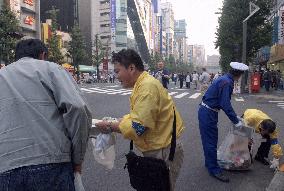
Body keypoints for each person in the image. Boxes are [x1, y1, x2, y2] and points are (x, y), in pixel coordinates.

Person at [0, 39, 92, 190]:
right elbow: (78, 109)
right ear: (43, 55)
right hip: (51, 163)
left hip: (5, 169)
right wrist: (77, 159)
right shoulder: (51, 69)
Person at [95, 49, 185, 191]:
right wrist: (121, 120)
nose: (116, 76)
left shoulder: (146, 87)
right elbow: (141, 115)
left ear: (131, 68)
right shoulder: (143, 83)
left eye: (117, 71)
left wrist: (110, 125)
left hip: (163, 151)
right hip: (161, 146)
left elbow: (138, 127)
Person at [198, 62, 248, 183]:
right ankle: (214, 169)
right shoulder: (227, 82)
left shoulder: (224, 78)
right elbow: (225, 104)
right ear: (239, 74)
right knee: (211, 141)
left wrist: (234, 117)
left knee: (209, 140)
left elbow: (222, 101)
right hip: (208, 112)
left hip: (207, 111)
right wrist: (236, 121)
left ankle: (209, 163)